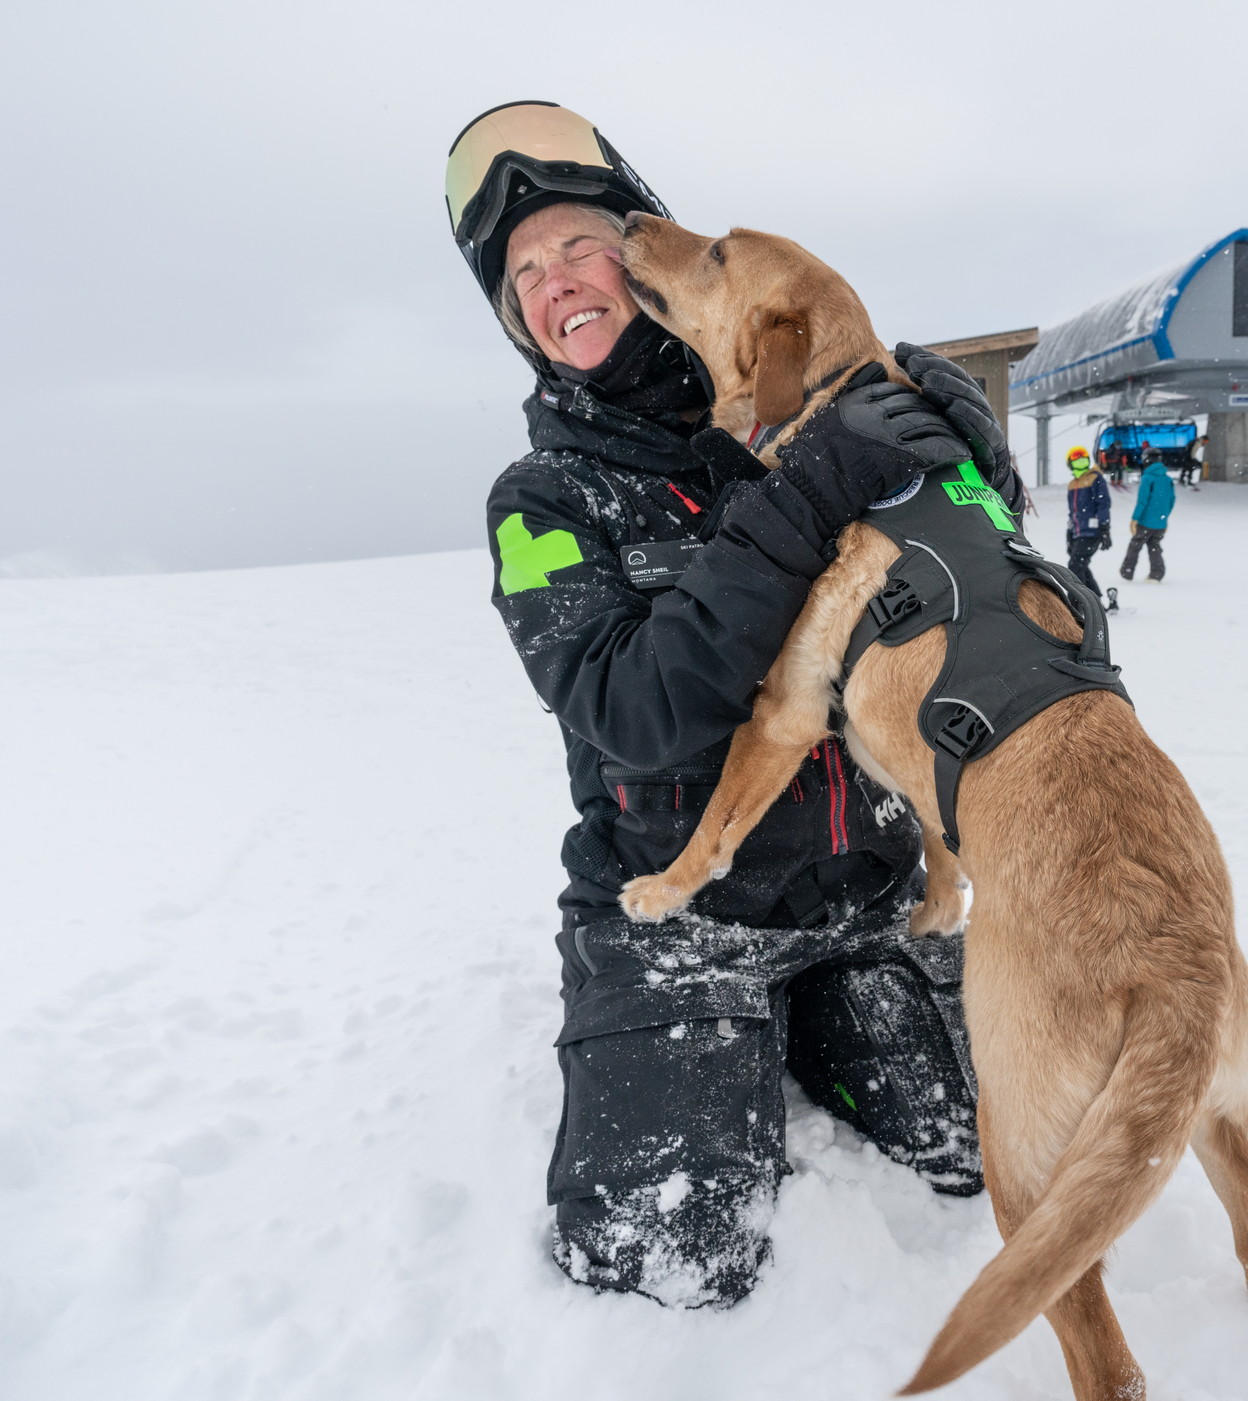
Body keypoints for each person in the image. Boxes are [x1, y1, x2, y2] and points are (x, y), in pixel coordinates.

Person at [447, 101, 1026, 1308]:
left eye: (577, 246)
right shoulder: (543, 501)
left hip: (861, 895)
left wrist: (972, 460)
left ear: (640, 246)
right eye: (525, 277)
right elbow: (638, 713)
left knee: (991, 1150)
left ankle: (817, 1022)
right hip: (679, 921)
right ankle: (728, 1036)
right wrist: (804, 494)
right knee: (672, 1260)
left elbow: (974, 590)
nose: (559, 284)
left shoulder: (817, 380)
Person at [1120, 449, 1175, 582]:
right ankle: (1157, 574)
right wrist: (1165, 518)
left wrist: (1135, 519)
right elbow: (1171, 500)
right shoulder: (1167, 479)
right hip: (1160, 523)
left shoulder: (1147, 478)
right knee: (1154, 546)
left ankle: (1127, 571)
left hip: (1145, 521)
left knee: (1135, 545)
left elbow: (1142, 501)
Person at [1064, 446, 1111, 592]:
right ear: (1070, 463)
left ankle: (1078, 603)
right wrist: (1070, 532)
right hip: (1079, 533)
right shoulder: (1073, 484)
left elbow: (1103, 504)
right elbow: (1073, 512)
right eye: (1076, 459)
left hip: (1092, 532)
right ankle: (1095, 599)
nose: (1080, 462)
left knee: (1075, 566)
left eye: (1082, 459)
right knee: (1080, 565)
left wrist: (1104, 528)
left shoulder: (1095, 478)